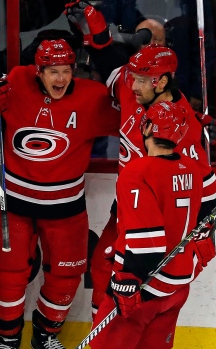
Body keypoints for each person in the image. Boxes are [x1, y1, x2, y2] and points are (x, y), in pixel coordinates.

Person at [65, 1, 216, 316]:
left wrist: (205, 230)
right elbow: (111, 65)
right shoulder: (132, 86)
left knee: (127, 289)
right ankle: (102, 330)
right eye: (132, 76)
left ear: (162, 81)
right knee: (101, 269)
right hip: (127, 206)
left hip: (159, 220)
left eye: (140, 79)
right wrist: (96, 30)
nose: (131, 84)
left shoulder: (184, 125)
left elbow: (205, 189)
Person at [0, 38, 120, 349]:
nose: (60, 79)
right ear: (38, 71)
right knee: (8, 277)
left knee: (67, 276)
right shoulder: (17, 82)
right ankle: (8, 341)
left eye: (65, 71)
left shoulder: (94, 98)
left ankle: (45, 334)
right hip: (14, 205)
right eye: (52, 72)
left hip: (65, 208)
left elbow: (132, 117)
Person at [89, 100, 207, 349]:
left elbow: (146, 239)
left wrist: (128, 278)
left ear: (147, 128)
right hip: (176, 288)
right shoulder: (192, 169)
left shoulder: (137, 171)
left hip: (142, 288)